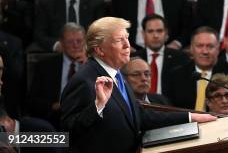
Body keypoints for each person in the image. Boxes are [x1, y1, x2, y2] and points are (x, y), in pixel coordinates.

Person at [60, 17, 217, 153]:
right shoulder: (84, 81)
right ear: (100, 50)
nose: (127, 45)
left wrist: (190, 117)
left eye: (126, 38)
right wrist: (97, 106)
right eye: (118, 40)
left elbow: (138, 115)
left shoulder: (116, 73)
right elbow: (69, 132)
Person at [164, 26, 228, 112]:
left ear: (218, 49)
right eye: (200, 46)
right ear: (192, 49)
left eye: (210, 46)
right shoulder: (176, 75)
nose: (205, 52)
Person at [28, 23, 87, 128]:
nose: (75, 45)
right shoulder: (45, 66)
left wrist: (88, 66)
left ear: (85, 42)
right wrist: (53, 106)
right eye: (70, 41)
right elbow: (32, 102)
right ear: (62, 43)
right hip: (54, 120)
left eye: (79, 41)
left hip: (85, 120)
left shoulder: (92, 66)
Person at [132, 14, 190, 96]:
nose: (155, 36)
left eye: (159, 31)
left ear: (166, 34)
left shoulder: (180, 58)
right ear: (143, 34)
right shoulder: (133, 59)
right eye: (150, 31)